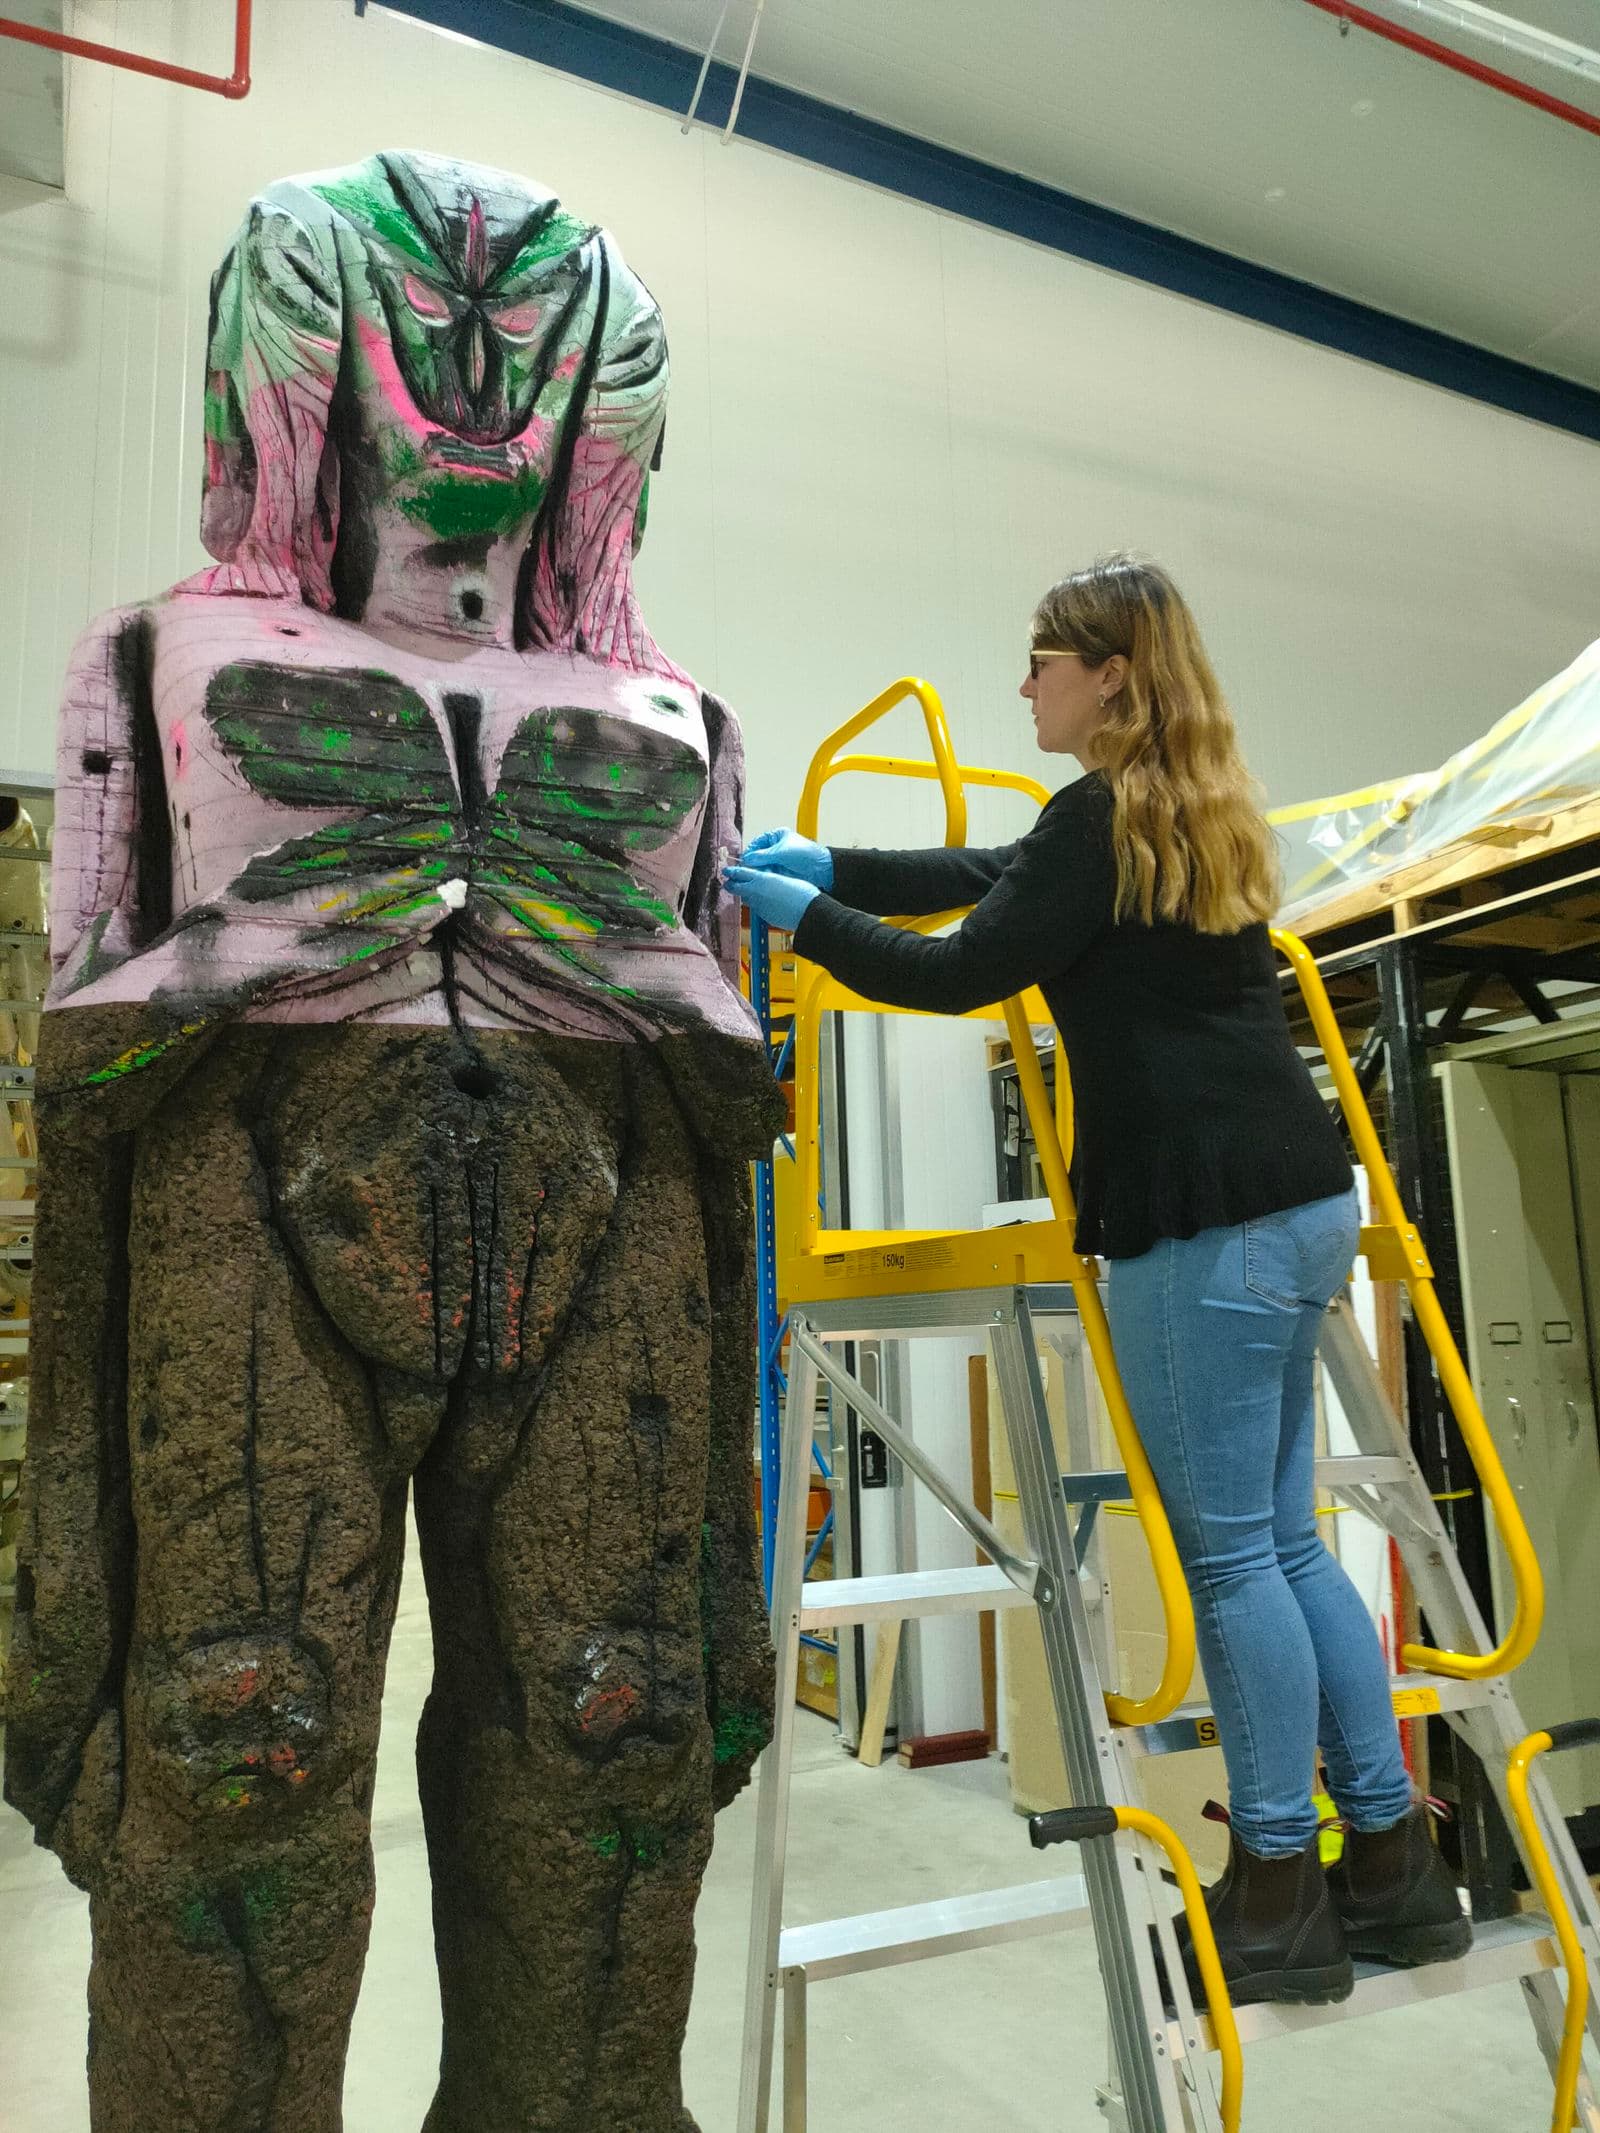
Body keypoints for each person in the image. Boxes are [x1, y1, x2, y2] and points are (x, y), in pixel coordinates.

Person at [723, 553, 1471, 2008]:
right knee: (1291, 1545)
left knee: (1236, 1559)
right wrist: (839, 867)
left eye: (1043, 661)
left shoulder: (1096, 817)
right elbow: (994, 878)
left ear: (1110, 672)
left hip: (1202, 1220)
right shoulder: (1182, 812)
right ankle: (1392, 1864)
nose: (1023, 685)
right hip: (1301, 1196)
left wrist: (799, 924)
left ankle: (1274, 1894)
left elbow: (961, 969)